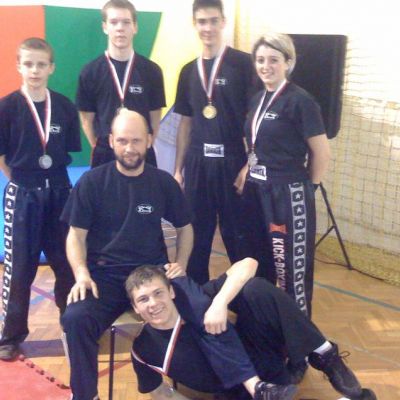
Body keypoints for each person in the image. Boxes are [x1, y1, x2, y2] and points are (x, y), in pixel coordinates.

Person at [60, 108, 193, 400]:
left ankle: (191, 384)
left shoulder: (163, 182)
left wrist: (181, 264)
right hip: (104, 276)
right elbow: (75, 235)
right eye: (122, 141)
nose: (129, 148)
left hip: (150, 276)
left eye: (136, 140)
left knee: (198, 308)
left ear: (149, 140)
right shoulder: (92, 182)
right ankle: (85, 395)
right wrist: (81, 274)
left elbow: (185, 228)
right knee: (75, 319)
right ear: (111, 141)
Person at [128, 262, 377, 400]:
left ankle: (324, 354)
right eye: (143, 299)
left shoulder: (195, 299)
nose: (153, 303)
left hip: (262, 362)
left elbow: (249, 264)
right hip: (233, 393)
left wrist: (220, 302)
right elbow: (159, 392)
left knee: (255, 289)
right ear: (135, 308)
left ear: (171, 291)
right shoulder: (143, 349)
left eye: (158, 293)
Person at [238, 32, 331, 318]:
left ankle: (297, 339)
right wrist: (247, 169)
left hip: (287, 194)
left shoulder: (301, 101)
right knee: (259, 262)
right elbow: (257, 144)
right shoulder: (257, 98)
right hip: (257, 190)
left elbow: (322, 152)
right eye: (260, 60)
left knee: (290, 270)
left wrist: (309, 188)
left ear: (288, 62)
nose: (266, 66)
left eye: (273, 60)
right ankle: (262, 327)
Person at [0, 38, 81, 361]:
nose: (35, 70)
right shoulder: (7, 107)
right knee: (19, 268)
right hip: (24, 194)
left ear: (51, 68)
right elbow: (3, 155)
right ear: (19, 66)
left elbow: (68, 151)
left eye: (41, 64)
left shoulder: (64, 106)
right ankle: (10, 335)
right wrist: (23, 182)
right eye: (29, 64)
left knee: (68, 263)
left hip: (60, 192)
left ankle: (72, 325)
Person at [173, 0, 264, 285]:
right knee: (196, 234)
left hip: (233, 160)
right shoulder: (188, 71)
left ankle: (246, 297)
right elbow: (185, 123)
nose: (208, 27)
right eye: (202, 21)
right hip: (198, 162)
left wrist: (250, 163)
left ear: (223, 22)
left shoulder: (244, 64)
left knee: (239, 234)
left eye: (213, 21)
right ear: (194, 24)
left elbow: (257, 119)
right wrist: (178, 170)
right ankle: (197, 297)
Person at [76, 0, 165, 168]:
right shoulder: (90, 72)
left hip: (141, 152)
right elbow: (86, 120)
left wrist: (143, 143)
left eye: (126, 22)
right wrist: (103, 145)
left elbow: (155, 117)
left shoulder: (152, 71)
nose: (120, 28)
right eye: (114, 22)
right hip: (105, 152)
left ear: (135, 27)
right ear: (105, 27)